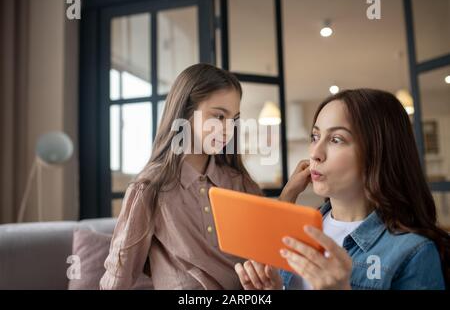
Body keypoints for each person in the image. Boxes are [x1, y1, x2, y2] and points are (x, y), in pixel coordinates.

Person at [235, 88, 449, 290]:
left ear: (378, 153)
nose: (315, 153)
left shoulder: (414, 252)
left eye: (336, 139)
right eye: (315, 137)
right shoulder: (297, 234)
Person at [100, 63, 261, 289]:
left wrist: (290, 192)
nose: (228, 129)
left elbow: (267, 245)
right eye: (218, 116)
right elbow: (120, 272)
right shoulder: (150, 187)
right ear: (185, 112)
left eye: (233, 119)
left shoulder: (238, 181)